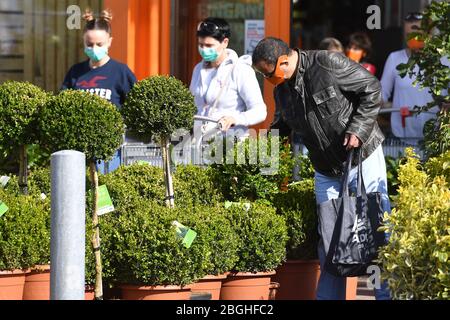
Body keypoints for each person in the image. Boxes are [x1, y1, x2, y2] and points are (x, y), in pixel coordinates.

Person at [252, 37, 391, 300]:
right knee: (329, 241)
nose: (265, 79)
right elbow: (280, 127)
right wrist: (259, 159)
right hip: (326, 171)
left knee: (377, 229)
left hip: (363, 157)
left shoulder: (327, 63)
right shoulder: (281, 91)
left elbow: (372, 88)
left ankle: (387, 295)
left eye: (266, 73)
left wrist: (358, 130)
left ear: (283, 62)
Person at [61, 9, 137, 173]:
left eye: (99, 44)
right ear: (83, 41)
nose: (94, 48)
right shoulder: (75, 72)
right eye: (89, 44)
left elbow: (135, 107)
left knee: (106, 194)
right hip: (78, 149)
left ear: (110, 41)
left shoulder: (121, 72)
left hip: (111, 150)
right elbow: (63, 105)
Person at [189, 17, 267, 141]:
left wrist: (235, 119)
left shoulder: (240, 70)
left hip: (230, 146)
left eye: (209, 45)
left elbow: (260, 111)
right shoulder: (198, 69)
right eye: (201, 45)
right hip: (200, 145)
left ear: (225, 42)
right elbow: (193, 105)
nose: (204, 50)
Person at [380, 12, 440, 145]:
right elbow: (381, 94)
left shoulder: (442, 61)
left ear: (428, 34)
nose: (412, 39)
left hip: (435, 138)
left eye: (417, 34)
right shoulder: (394, 58)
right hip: (402, 137)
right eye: (408, 35)